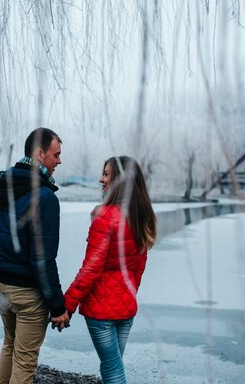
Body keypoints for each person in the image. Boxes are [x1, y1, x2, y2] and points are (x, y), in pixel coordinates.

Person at [0, 127, 70, 384]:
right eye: (56, 154)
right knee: (25, 358)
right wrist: (58, 306)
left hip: (1, 286)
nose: (59, 161)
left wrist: (0, 271)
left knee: (9, 344)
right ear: (40, 154)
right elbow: (43, 259)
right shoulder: (44, 197)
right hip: (28, 294)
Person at [64, 156, 157, 384]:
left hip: (102, 312)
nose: (101, 179)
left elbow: (91, 270)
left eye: (106, 174)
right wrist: (128, 294)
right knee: (112, 366)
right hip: (126, 309)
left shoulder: (105, 218)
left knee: (113, 371)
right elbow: (138, 268)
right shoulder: (141, 217)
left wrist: (67, 305)